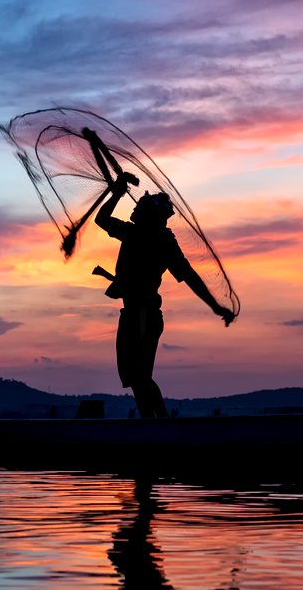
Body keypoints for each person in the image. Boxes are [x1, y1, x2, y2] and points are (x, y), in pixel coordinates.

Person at [96, 174, 234, 418]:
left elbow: (102, 219)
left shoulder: (145, 237)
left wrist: (116, 193)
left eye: (140, 208)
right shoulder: (149, 237)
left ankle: (160, 424)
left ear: (149, 217)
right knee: (136, 377)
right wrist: (215, 306)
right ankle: (154, 423)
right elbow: (189, 276)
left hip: (143, 313)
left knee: (138, 375)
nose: (135, 209)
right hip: (137, 313)